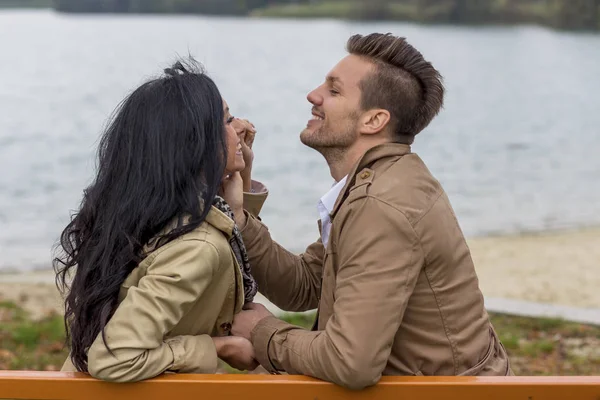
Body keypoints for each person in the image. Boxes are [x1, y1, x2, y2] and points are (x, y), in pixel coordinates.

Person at [224, 33, 512, 390]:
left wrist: (262, 331)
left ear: (373, 120)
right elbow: (305, 286)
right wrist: (239, 213)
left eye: (333, 90)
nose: (313, 95)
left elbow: (350, 362)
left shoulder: (380, 206)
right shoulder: (379, 182)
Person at [54, 59, 266, 382]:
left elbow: (230, 258)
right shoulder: (199, 245)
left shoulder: (151, 215)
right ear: (194, 143)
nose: (239, 129)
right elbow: (114, 358)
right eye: (226, 120)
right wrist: (216, 347)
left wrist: (240, 187)